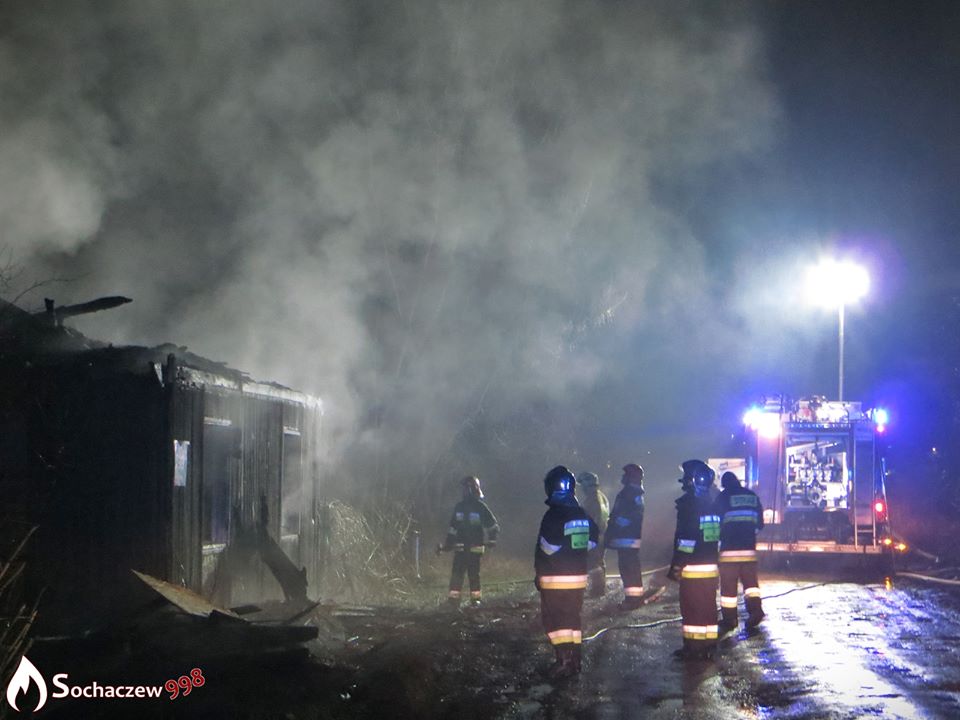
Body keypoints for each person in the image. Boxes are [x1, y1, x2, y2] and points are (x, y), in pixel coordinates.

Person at [535, 465, 599, 678]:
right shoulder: (581, 513)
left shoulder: (553, 514)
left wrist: (541, 570)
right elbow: (592, 541)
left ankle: (563, 660)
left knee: (555, 621)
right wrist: (574, 551)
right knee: (573, 619)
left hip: (555, 578)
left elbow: (548, 548)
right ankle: (574, 660)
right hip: (577, 577)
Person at [667, 459, 720, 660]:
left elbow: (686, 539)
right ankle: (708, 645)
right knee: (708, 607)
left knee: (692, 608)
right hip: (710, 566)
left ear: (691, 480)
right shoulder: (713, 505)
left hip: (693, 567)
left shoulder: (689, 506)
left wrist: (677, 565)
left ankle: (694, 648)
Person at [439, 476, 500, 609]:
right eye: (463, 489)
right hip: (460, 548)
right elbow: (453, 528)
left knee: (474, 574)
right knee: (457, 574)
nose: (464, 492)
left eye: (466, 489)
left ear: (473, 489)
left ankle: (476, 600)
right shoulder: (459, 507)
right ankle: (453, 601)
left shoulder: (480, 507)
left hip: (475, 548)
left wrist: (492, 539)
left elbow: (493, 526)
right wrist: (448, 544)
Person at [716, 471, 765, 633]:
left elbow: (715, 522)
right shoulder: (751, 496)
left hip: (729, 551)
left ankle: (730, 620)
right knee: (751, 586)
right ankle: (756, 612)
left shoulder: (723, 497)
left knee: (728, 590)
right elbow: (760, 523)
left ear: (724, 484)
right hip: (749, 551)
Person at [605, 463, 646, 609]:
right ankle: (633, 598)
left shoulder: (632, 493)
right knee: (627, 567)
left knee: (629, 568)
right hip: (626, 538)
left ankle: (634, 600)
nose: (623, 477)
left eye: (626, 474)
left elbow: (634, 514)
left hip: (627, 538)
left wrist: (617, 523)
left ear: (632, 477)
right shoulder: (631, 492)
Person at [576, 471, 610, 598]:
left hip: (594, 535)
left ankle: (598, 590)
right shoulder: (601, 496)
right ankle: (599, 588)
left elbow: (594, 517)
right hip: (601, 534)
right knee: (598, 561)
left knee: (593, 562)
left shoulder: (593, 499)